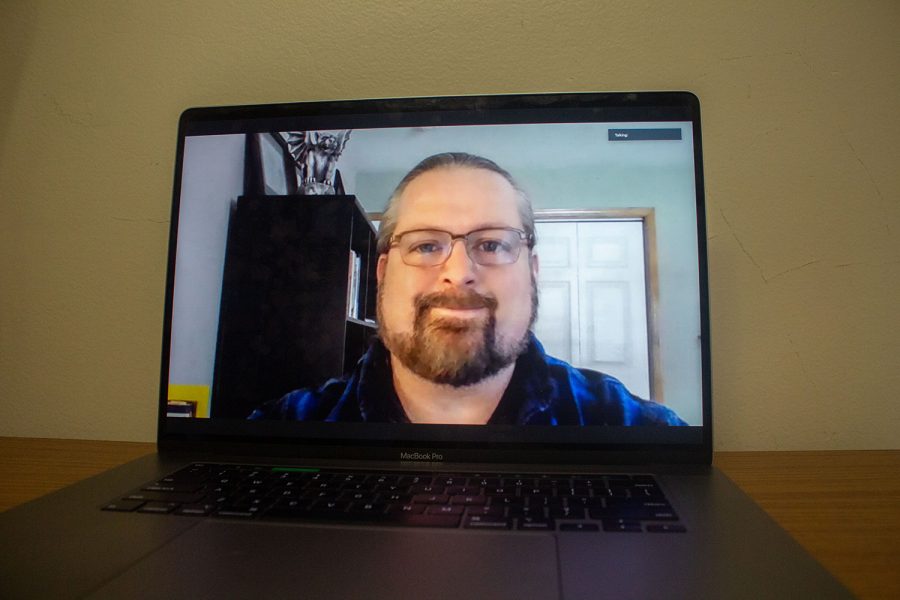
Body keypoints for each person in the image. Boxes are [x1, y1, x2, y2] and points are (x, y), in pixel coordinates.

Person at [249, 152, 685, 426]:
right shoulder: (285, 429)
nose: (459, 273)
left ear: (533, 272)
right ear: (382, 273)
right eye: (424, 245)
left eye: (492, 244)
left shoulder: (631, 430)